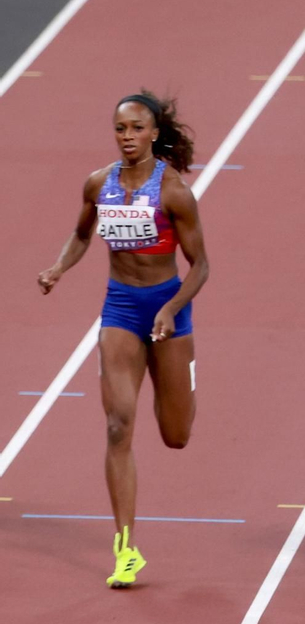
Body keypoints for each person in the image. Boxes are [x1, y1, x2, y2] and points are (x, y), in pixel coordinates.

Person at [37, 91, 210, 588]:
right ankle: (126, 548)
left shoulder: (174, 191)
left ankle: (177, 381)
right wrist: (58, 268)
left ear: (154, 133)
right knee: (117, 426)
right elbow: (82, 235)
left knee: (175, 435)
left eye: (137, 128)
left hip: (168, 308)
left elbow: (201, 265)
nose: (128, 138)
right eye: (120, 129)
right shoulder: (98, 184)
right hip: (120, 309)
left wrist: (173, 308)